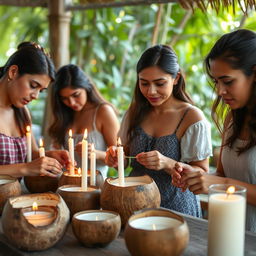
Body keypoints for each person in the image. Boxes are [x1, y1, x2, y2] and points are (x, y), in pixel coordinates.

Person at [105, 45, 212, 217]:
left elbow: (202, 174)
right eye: (144, 83)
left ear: (176, 78)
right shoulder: (134, 112)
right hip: (133, 205)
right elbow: (124, 157)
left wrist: (167, 163)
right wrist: (116, 157)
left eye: (160, 83)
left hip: (176, 209)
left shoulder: (191, 117)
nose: (151, 91)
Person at [172, 29, 256, 232]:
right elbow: (221, 174)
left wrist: (220, 183)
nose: (220, 91)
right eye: (216, 81)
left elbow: (225, 181)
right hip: (230, 230)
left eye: (228, 81)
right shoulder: (232, 118)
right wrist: (196, 176)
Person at [0, 42, 71, 178]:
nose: (36, 96)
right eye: (33, 85)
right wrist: (25, 168)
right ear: (13, 72)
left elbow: (31, 153)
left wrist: (49, 156)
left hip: (17, 197)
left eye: (41, 90)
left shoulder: (22, 112)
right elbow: (26, 166)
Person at [49, 64, 120, 180]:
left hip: (95, 186)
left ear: (87, 87)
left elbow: (122, 161)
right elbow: (55, 149)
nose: (71, 102)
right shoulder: (64, 114)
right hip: (67, 185)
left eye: (76, 95)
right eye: (64, 98)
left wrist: (95, 153)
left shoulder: (103, 112)